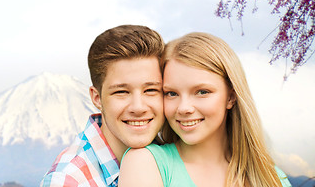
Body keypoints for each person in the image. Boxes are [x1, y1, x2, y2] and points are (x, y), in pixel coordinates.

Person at [119, 32, 292, 187]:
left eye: (202, 92)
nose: (184, 108)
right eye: (171, 93)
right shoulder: (145, 163)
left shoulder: (273, 178)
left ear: (230, 97)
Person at [41, 25, 165, 187]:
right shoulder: (68, 181)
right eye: (121, 92)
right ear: (97, 98)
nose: (138, 107)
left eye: (150, 90)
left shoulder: (174, 156)